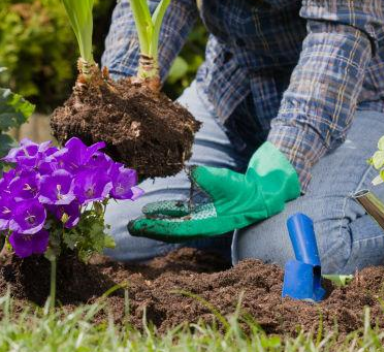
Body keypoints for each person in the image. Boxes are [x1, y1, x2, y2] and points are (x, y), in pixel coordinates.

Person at [102, 0, 384, 274]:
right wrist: (118, 101)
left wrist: (285, 157)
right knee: (115, 232)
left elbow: (339, 32)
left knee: (286, 255)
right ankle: (244, 231)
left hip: (354, 102)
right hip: (232, 95)